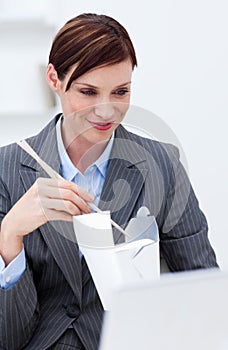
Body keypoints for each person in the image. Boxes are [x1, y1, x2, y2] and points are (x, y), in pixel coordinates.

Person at [0, 13, 218, 350]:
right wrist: (10, 234)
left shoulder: (162, 166)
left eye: (120, 91)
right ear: (54, 78)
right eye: (88, 91)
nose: (106, 111)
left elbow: (204, 295)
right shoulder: (6, 168)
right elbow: (7, 336)